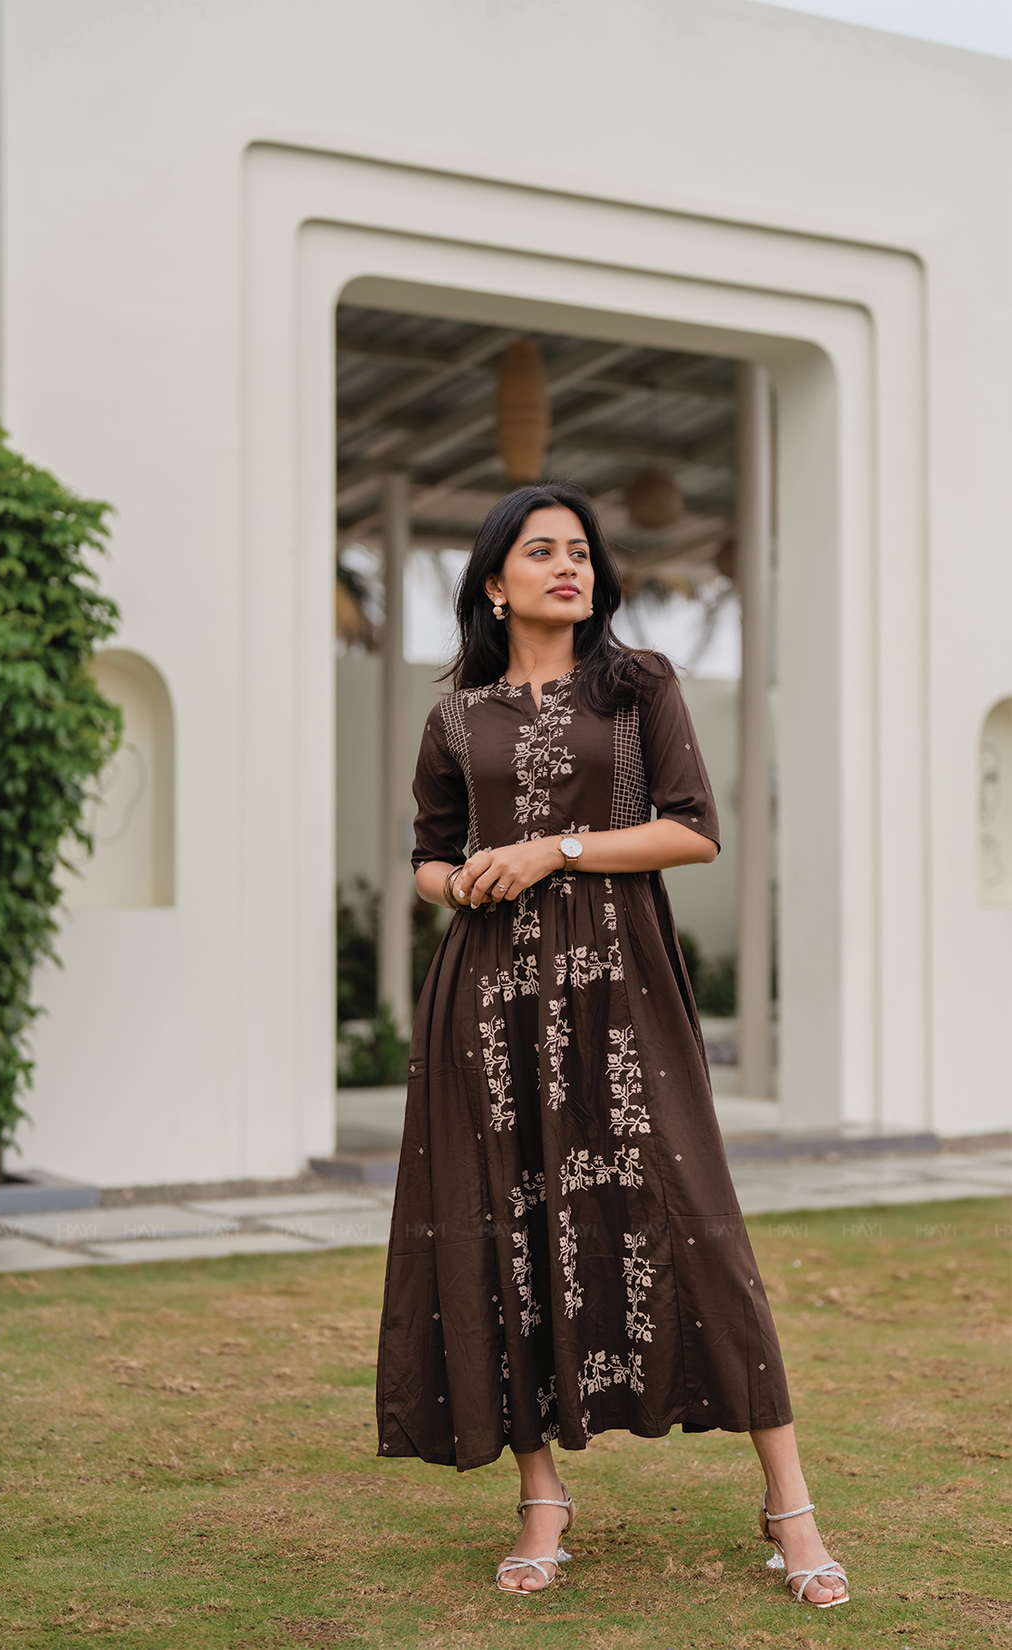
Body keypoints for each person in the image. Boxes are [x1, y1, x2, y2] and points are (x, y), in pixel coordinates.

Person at [375, 481, 848, 1609]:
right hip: (487, 1004)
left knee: (698, 1228)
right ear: (494, 583)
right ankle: (542, 1500)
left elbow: (693, 829)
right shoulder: (455, 718)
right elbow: (427, 855)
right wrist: (467, 876)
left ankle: (789, 1506)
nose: (566, 567)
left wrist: (551, 852)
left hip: (622, 994)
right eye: (538, 552)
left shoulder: (637, 687)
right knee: (510, 1226)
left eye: (578, 552)